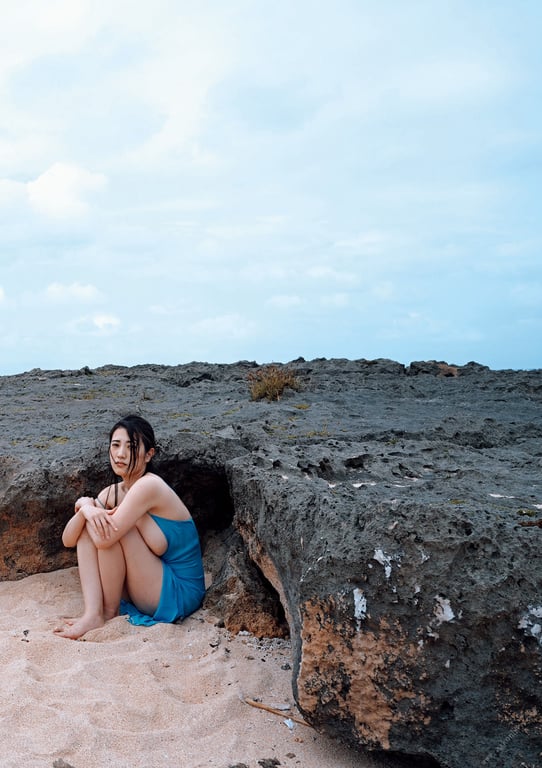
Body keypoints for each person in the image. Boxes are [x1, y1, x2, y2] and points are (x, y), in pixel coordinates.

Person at [55, 415, 205, 639]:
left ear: (149, 454)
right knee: (95, 523)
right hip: (146, 582)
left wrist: (93, 510)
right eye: (115, 445)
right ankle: (93, 613)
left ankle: (106, 611)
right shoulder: (113, 492)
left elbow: (107, 539)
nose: (121, 453)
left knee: (108, 528)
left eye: (131, 447)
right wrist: (86, 508)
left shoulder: (150, 485)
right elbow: (69, 539)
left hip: (177, 591)